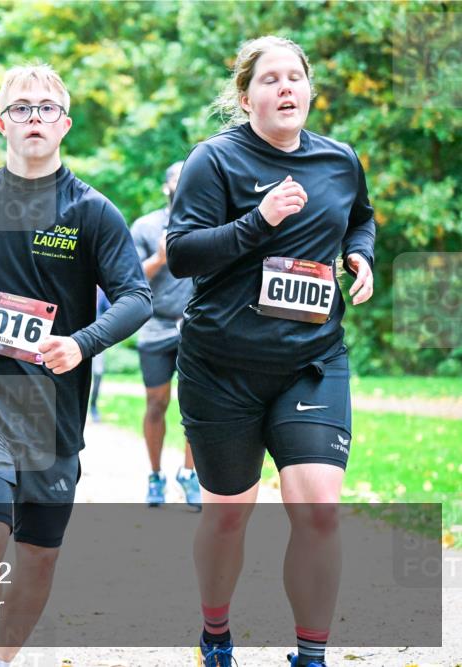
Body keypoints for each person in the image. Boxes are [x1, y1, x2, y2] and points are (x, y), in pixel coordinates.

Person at [0, 64, 151, 667]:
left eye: (46, 107)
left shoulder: (92, 212)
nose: (33, 115)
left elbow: (136, 298)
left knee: (38, 558)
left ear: (64, 124)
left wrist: (82, 343)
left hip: (53, 412)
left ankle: (2, 658)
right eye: (20, 108)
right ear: (2, 125)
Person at [166, 36, 375, 667]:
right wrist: (260, 221)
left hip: (310, 362)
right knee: (229, 514)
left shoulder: (340, 161)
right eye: (269, 79)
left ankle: (310, 655)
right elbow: (182, 254)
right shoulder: (216, 161)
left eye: (295, 78)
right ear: (245, 94)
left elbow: (359, 216)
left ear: (310, 89)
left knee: (318, 508)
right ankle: (216, 632)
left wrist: (359, 254)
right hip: (221, 366)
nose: (285, 88)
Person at [129, 161, 201, 509]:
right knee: (156, 403)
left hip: (197, 327)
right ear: (166, 186)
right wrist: (159, 258)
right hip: (155, 326)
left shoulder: (207, 222)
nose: (182, 182)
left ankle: (189, 474)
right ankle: (155, 475)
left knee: (196, 406)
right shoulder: (145, 226)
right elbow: (126, 279)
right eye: (176, 177)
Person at [88, 287, 110, 422]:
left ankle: (93, 406)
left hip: (96, 339)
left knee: (97, 372)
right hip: (73, 337)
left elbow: (110, 310)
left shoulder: (103, 292)